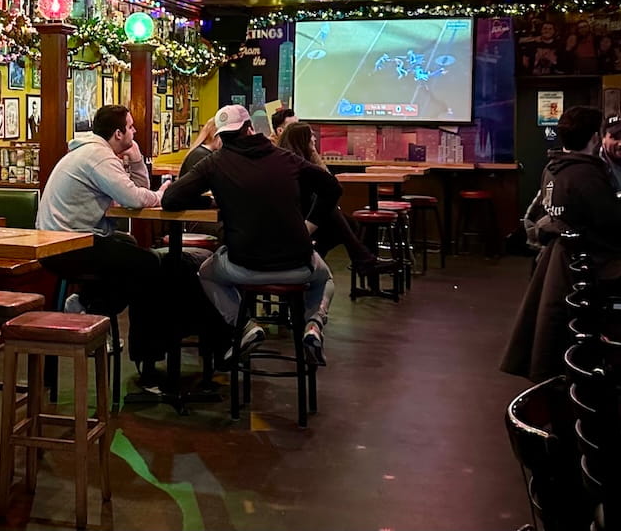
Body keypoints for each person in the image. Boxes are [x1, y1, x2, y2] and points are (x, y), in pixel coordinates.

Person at [502, 106, 621, 382]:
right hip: (597, 265)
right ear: (596, 138)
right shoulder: (586, 174)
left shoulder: (554, 169)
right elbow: (614, 220)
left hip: (568, 262)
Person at [163, 105, 339, 365]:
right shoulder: (286, 157)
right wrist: (308, 225)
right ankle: (313, 324)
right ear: (250, 129)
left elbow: (171, 198)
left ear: (222, 136)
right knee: (325, 278)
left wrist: (210, 203)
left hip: (243, 266)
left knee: (206, 272)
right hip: (298, 265)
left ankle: (243, 324)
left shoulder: (214, 163)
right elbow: (332, 188)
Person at [36, 104, 174, 382]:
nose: (135, 132)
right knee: (147, 263)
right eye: (131, 128)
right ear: (118, 132)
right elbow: (136, 199)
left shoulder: (93, 152)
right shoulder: (99, 157)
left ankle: (87, 304)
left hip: (62, 239)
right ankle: (101, 318)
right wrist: (162, 195)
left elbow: (135, 192)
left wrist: (136, 162)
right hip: (65, 245)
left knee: (131, 246)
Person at [277, 122, 395, 275]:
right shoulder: (298, 167)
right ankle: (359, 260)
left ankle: (321, 258)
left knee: (341, 219)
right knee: (336, 216)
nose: (314, 139)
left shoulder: (296, 162)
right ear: (303, 141)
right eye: (311, 136)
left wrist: (314, 154)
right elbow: (332, 186)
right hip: (295, 222)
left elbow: (329, 181)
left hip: (304, 220)